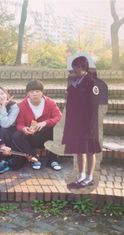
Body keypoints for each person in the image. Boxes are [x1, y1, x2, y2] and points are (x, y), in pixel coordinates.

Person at [62, 56, 103, 188]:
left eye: (76, 67)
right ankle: (81, 175)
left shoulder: (92, 82)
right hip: (76, 122)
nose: (74, 70)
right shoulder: (75, 80)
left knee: (90, 150)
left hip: (88, 124)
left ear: (82, 67)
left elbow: (94, 105)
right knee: (79, 150)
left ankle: (89, 176)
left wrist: (90, 126)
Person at [13, 79, 62, 170]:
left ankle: (53, 160)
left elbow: (58, 117)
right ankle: (34, 158)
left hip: (46, 135)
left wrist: (45, 123)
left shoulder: (50, 103)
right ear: (27, 94)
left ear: (42, 92)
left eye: (37, 91)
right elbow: (19, 124)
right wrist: (24, 129)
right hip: (31, 136)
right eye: (31, 91)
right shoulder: (21, 105)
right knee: (17, 135)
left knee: (57, 129)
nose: (35, 94)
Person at [0, 85, 26, 173]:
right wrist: (0, 108)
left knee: (2, 130)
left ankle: (3, 160)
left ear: (6, 94)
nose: (1, 96)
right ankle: (0, 160)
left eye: (2, 93)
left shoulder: (14, 107)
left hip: (11, 133)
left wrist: (2, 108)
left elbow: (5, 124)